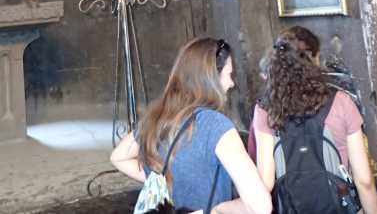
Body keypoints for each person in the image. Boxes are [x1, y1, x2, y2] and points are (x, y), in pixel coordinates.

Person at [111, 37, 272, 214]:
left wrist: (164, 178)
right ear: (211, 79)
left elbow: (118, 157)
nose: (231, 84)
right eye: (228, 75)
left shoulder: (157, 118)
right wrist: (218, 210)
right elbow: (261, 205)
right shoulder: (216, 126)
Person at [253, 26, 377, 214]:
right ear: (313, 59)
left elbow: (265, 181)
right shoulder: (341, 102)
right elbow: (364, 181)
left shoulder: (265, 110)